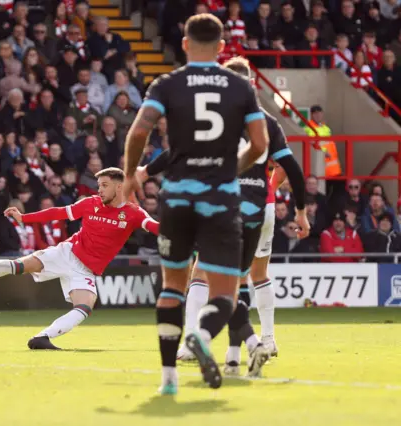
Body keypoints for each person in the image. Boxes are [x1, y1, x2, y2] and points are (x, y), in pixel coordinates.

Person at [121, 14, 268, 394]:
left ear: (185, 44)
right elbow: (260, 145)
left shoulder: (167, 84)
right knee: (225, 292)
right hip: (220, 200)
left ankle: (169, 379)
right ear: (222, 48)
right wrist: (229, 168)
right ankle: (202, 334)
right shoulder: (239, 86)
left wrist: (128, 177)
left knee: (173, 286)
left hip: (177, 198)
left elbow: (140, 129)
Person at [147, 57, 307, 370]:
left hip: (226, 206)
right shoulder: (265, 122)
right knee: (254, 277)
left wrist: (145, 171)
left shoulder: (217, 118)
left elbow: (180, 152)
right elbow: (290, 169)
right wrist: (285, 198)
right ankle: (261, 342)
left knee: (204, 275)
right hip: (265, 206)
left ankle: (199, 340)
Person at [0, 168, 159, 349]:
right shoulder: (90, 203)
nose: (99, 190)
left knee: (85, 306)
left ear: (119, 187)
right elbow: (57, 212)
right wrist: (24, 217)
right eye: (98, 185)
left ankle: (42, 337)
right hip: (66, 253)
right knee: (19, 265)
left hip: (85, 270)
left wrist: (181, 234)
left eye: (104, 186)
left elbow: (155, 228)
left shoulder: (133, 213)